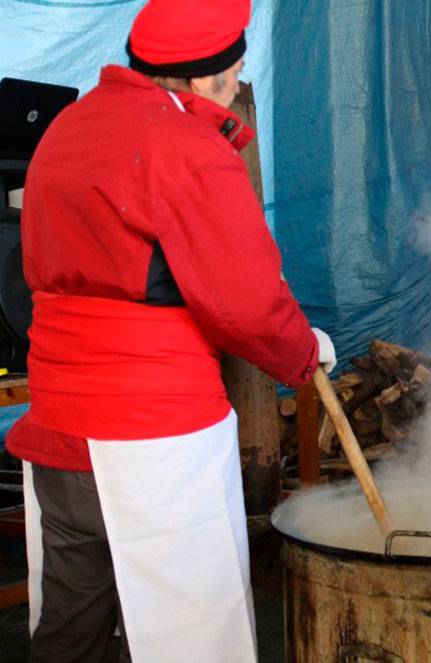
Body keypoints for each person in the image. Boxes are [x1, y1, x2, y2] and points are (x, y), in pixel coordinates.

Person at [6, 1, 336, 661]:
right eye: (237, 73)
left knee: (74, 623)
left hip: (60, 423)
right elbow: (244, 302)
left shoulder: (66, 128)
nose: (238, 84)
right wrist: (303, 350)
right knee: (188, 624)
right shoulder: (189, 147)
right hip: (156, 438)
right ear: (208, 76)